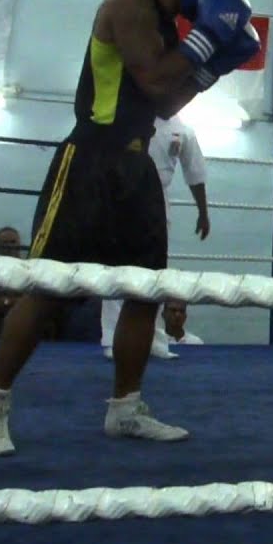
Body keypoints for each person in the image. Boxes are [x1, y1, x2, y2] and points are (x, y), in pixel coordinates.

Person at [0, 0, 261, 456]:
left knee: (143, 292)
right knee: (46, 289)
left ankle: (125, 410)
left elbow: (166, 105)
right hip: (89, 160)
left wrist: (214, 66)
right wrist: (208, 40)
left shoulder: (172, 29)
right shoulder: (128, 3)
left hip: (137, 166)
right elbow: (152, 79)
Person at [100, 111, 211, 360]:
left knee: (156, 271)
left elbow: (195, 172)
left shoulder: (184, 131)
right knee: (116, 268)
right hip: (123, 195)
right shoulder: (129, 118)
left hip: (158, 199)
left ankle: (152, 338)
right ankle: (111, 339)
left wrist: (203, 212)